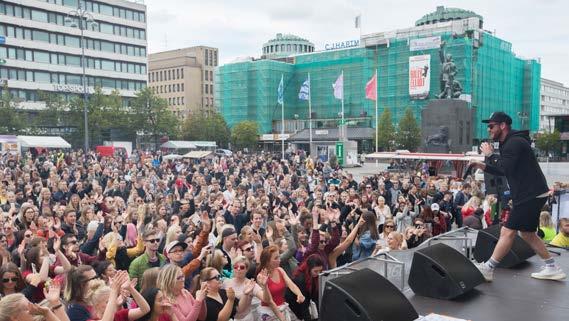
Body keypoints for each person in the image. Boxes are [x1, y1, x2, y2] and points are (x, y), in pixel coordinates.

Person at [469, 112, 566, 281]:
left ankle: (488, 268)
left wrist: (491, 155)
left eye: (491, 126)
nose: (489, 129)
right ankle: (552, 266)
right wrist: (483, 165)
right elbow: (503, 170)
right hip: (532, 193)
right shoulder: (511, 142)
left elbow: (506, 167)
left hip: (529, 194)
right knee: (527, 233)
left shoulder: (514, 143)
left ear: (503, 125)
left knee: (507, 231)